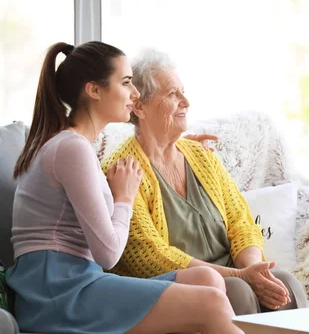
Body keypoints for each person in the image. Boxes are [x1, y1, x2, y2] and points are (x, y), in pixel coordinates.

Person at [7, 42, 243, 334]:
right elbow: (108, 254)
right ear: (94, 90)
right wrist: (125, 198)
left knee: (207, 279)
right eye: (127, 82)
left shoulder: (75, 146)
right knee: (210, 302)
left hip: (76, 281)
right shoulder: (71, 149)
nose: (135, 94)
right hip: (57, 292)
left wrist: (174, 145)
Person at [102, 49, 308, 315]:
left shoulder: (201, 156)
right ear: (139, 106)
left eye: (183, 92)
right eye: (172, 94)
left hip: (235, 270)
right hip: (181, 285)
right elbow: (152, 258)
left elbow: (241, 222)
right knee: (236, 291)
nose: (185, 102)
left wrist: (254, 270)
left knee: (285, 282)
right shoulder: (123, 170)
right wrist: (241, 277)